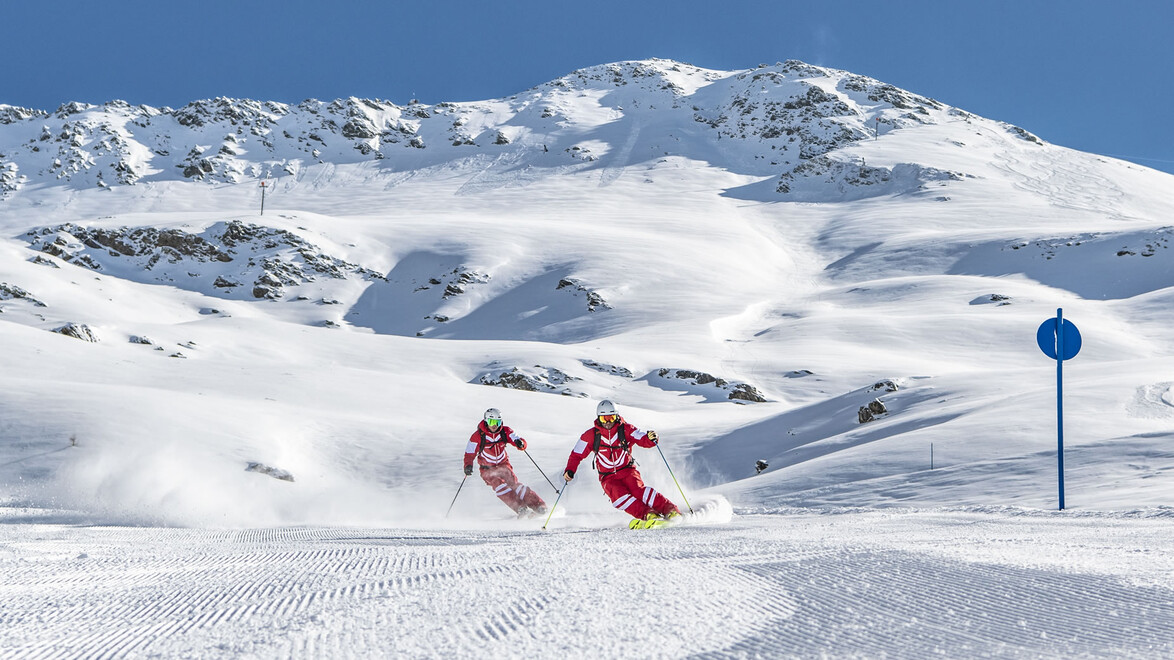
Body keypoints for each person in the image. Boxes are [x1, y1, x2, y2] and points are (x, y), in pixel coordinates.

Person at [562, 399, 681, 527]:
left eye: (611, 417)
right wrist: (570, 470)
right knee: (619, 497)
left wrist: (651, 438)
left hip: (627, 470)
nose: (608, 422)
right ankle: (649, 514)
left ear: (617, 416)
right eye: (604, 419)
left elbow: (641, 438)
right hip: (607, 477)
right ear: (598, 419)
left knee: (638, 490)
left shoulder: (626, 429)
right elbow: (576, 454)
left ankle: (670, 510)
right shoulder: (591, 435)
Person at [465, 408, 547, 518]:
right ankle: (521, 508)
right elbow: (469, 453)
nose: (494, 425)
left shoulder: (505, 431)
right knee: (499, 486)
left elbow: (516, 438)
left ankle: (539, 506)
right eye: (491, 422)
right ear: (486, 421)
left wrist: (520, 443)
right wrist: (468, 465)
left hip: (503, 465)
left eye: (497, 422)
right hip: (487, 469)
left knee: (515, 486)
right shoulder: (478, 436)